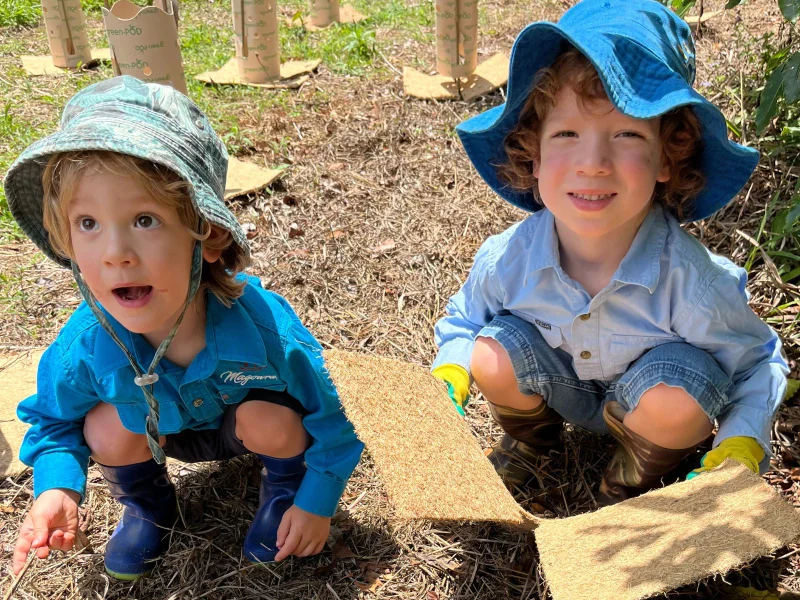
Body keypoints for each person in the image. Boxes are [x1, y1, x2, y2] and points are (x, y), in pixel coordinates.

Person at [4, 75, 363, 581]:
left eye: (145, 219)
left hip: (239, 423)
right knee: (102, 424)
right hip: (156, 433)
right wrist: (57, 488)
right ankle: (149, 506)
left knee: (273, 420)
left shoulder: (266, 334)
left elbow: (338, 414)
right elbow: (54, 422)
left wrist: (317, 499)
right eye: (88, 224)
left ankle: (283, 492)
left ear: (208, 239)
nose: (115, 253)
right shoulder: (86, 344)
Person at [432, 0, 787, 509]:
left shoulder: (693, 283)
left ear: (667, 157)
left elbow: (758, 363)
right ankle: (534, 439)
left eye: (626, 134)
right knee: (489, 352)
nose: (593, 164)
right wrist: (452, 368)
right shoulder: (508, 259)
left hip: (653, 397)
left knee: (676, 399)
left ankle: (634, 474)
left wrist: (741, 440)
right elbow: (465, 321)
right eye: (567, 133)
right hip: (560, 383)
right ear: (533, 155)